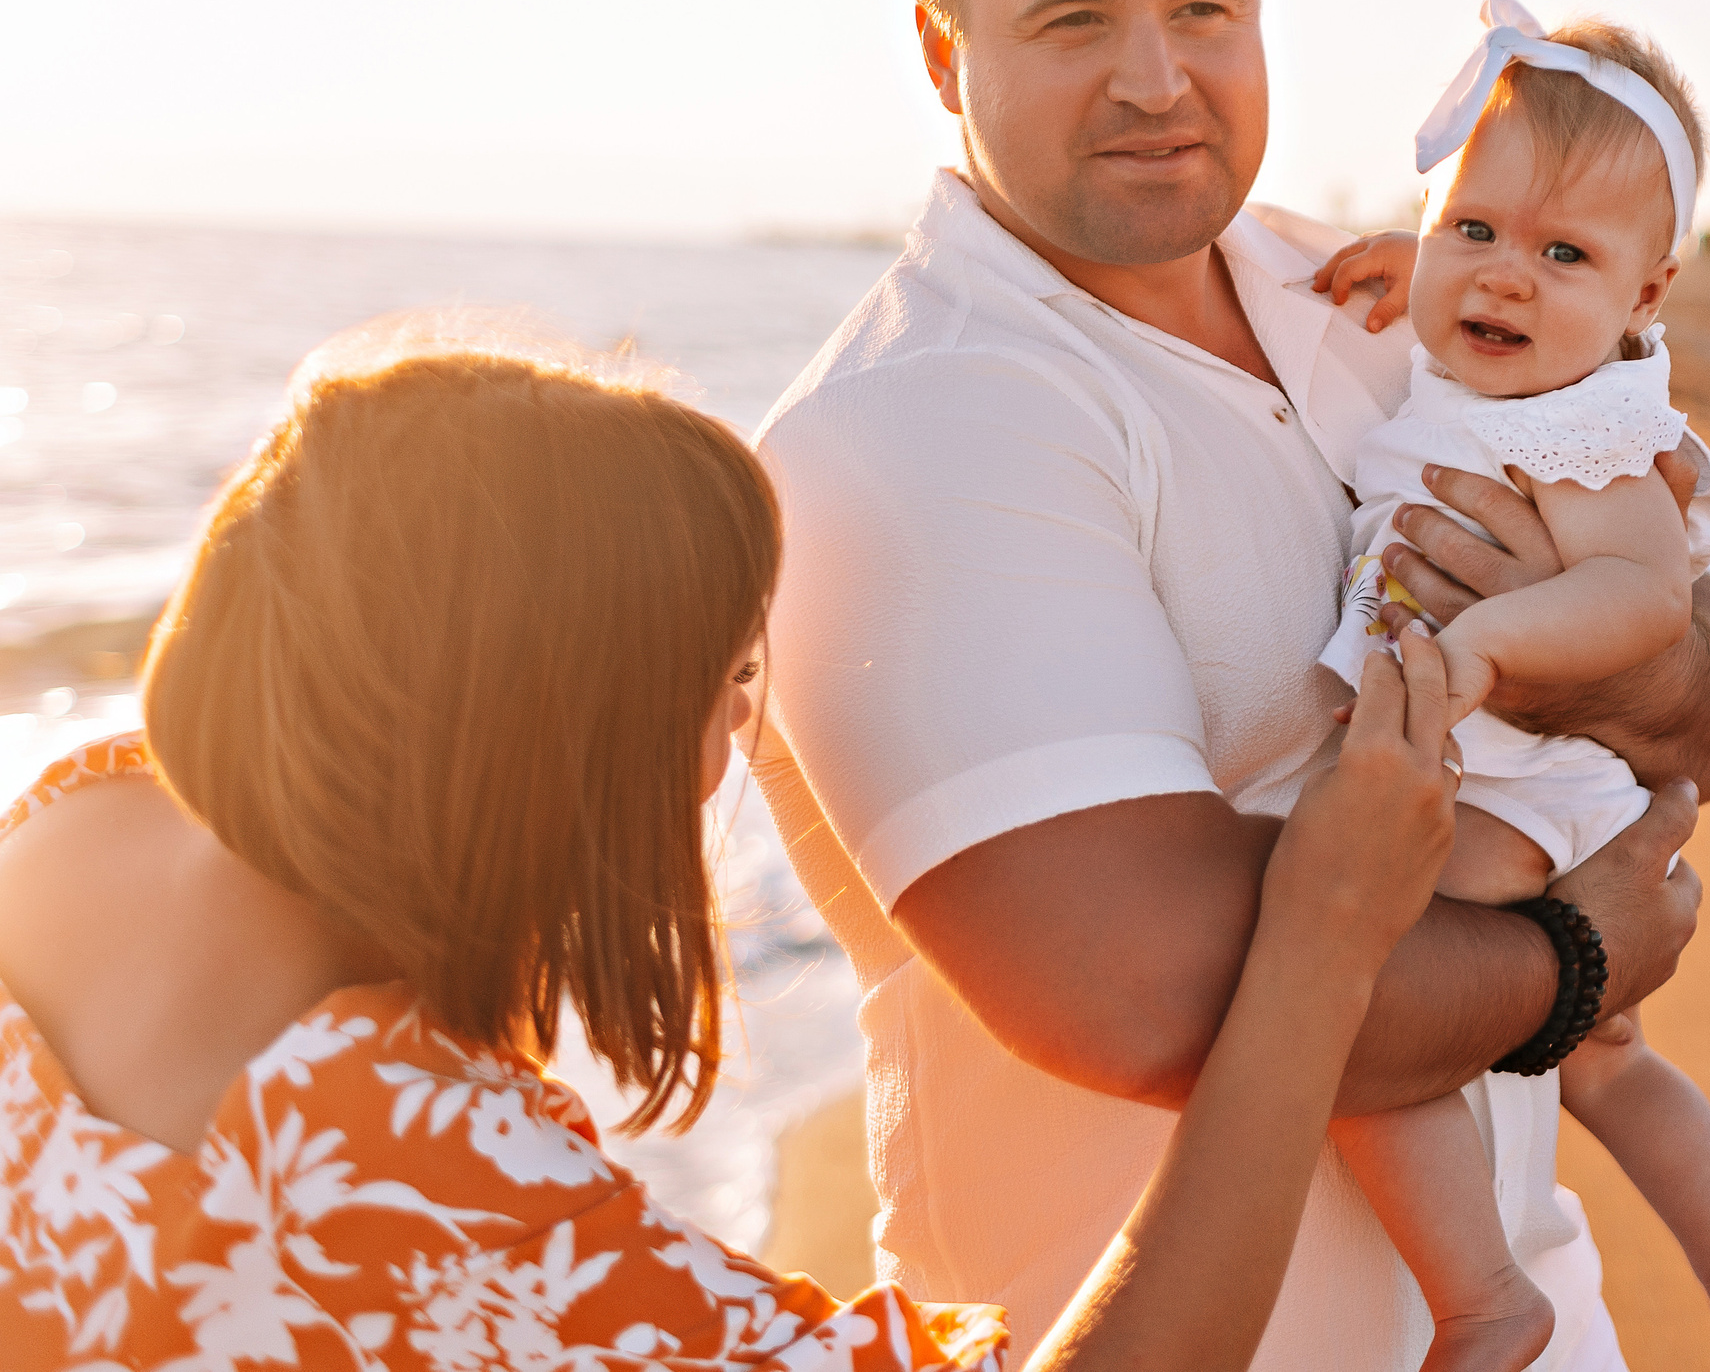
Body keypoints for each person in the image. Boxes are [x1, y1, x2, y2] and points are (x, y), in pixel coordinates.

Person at [753, 0, 1710, 1369]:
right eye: (1074, 18)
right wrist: (1578, 957)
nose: (1158, 78)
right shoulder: (912, 430)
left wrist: (1633, 655)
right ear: (945, 51)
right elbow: (1145, 993)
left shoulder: (1388, 298)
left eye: (1203, 7)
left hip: (1536, 1311)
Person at [0, 322, 1468, 1371]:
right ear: (548, 731)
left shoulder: (69, 818)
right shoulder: (420, 1167)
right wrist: (1320, 948)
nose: (732, 748)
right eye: (724, 685)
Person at [1309, 0, 1710, 1372]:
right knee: (1609, 1062)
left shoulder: (1588, 430)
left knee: (1353, 995)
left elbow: (1646, 598)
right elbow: (1470, 267)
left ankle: (1483, 1298)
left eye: (1563, 254)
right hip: (1513, 768)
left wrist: (1489, 648)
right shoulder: (1501, 354)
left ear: (1645, 298)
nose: (1503, 279)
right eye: (1474, 230)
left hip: (1530, 778)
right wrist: (1415, 259)